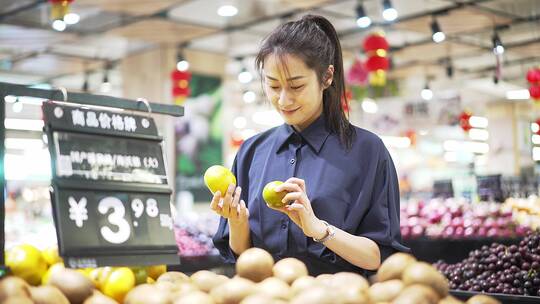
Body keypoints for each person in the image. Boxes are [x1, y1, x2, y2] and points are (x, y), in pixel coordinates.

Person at [211, 14, 408, 276]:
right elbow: (242, 255)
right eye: (273, 86)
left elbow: (379, 257)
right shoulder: (251, 152)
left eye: (296, 86)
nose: (283, 99)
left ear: (327, 77)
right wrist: (237, 224)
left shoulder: (368, 151)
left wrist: (319, 229)